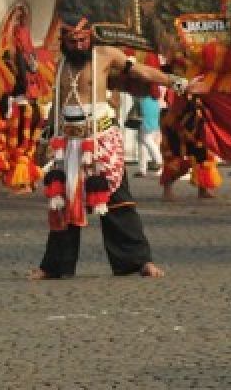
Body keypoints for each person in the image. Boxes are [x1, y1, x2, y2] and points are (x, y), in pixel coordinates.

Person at [29, 15, 185, 280]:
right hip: (68, 142)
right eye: (73, 40)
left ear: (90, 37)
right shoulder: (61, 64)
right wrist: (45, 138)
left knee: (117, 201)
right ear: (64, 41)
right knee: (64, 203)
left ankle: (138, 262)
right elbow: (57, 103)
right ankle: (54, 267)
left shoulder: (106, 54)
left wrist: (177, 83)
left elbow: (142, 72)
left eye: (83, 39)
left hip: (101, 138)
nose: (79, 45)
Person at [134, 89, 163, 178]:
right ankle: (142, 169)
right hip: (154, 124)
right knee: (143, 145)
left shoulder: (141, 99)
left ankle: (160, 161)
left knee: (147, 142)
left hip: (145, 124)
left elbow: (139, 111)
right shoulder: (155, 100)